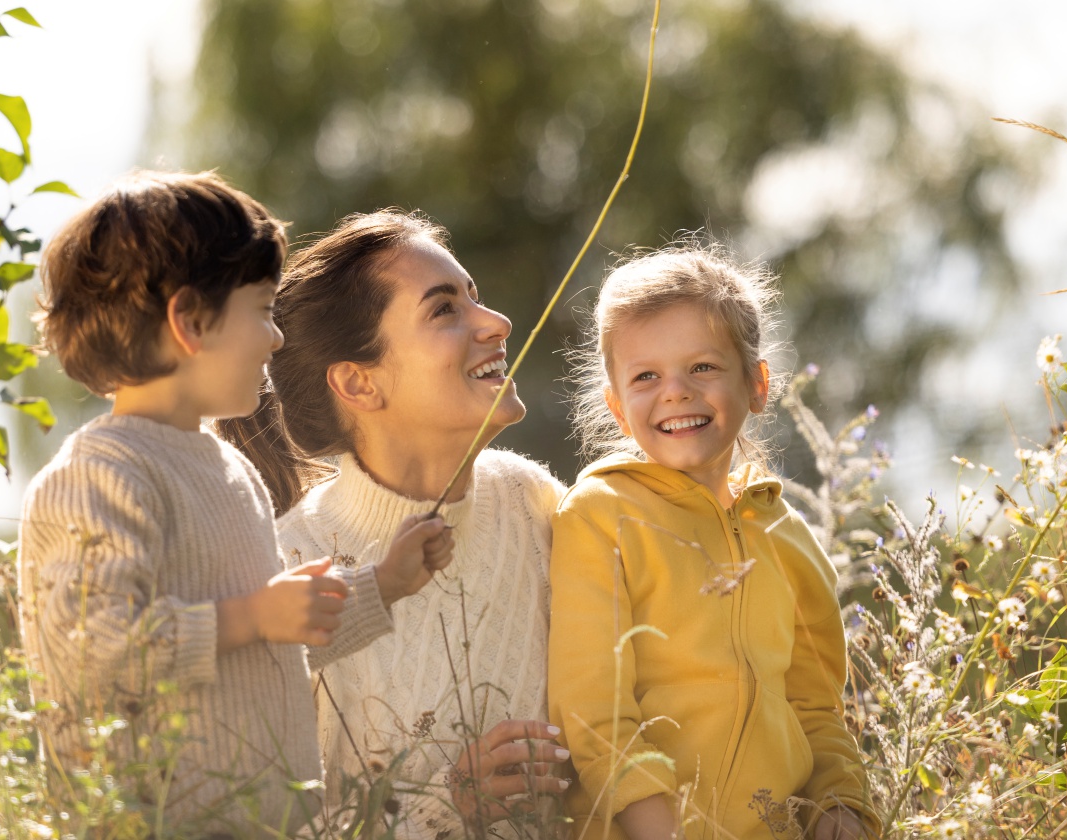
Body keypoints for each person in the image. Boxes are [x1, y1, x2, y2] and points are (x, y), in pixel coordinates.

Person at [17, 172, 452, 834]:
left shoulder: (230, 471)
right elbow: (91, 653)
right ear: (190, 321)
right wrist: (250, 616)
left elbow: (272, 641)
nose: (276, 339)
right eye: (264, 310)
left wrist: (384, 585)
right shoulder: (100, 476)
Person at [218, 211, 570, 839]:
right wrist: (446, 807)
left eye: (475, 297)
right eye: (443, 310)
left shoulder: (532, 500)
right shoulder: (286, 573)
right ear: (359, 381)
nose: (498, 324)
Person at [547, 243, 874, 840]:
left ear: (757, 384)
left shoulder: (787, 537)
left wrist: (839, 808)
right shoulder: (601, 517)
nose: (675, 392)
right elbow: (593, 716)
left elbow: (817, 710)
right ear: (618, 409)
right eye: (646, 377)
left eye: (702, 367)